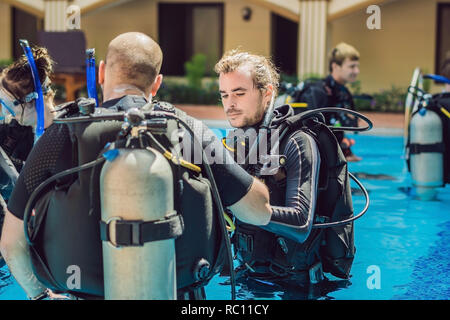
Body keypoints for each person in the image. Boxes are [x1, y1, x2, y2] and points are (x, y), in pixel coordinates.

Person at [0, 32, 271, 300]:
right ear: (157, 84)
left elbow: (11, 244)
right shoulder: (188, 130)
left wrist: (40, 296)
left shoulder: (61, 135)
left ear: (102, 72)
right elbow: (258, 213)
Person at [215, 49, 355, 298]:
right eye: (224, 95)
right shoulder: (239, 144)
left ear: (266, 93)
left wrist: (252, 208)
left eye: (239, 93)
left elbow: (301, 223)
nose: (230, 104)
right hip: (250, 278)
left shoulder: (298, 142)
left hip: (296, 286)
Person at [0, 46, 56, 265]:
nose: (4, 110)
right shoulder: (15, 122)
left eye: (5, 102)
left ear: (30, 103)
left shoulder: (51, 128)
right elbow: (12, 181)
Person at [299, 42, 362, 162]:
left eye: (357, 66)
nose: (357, 71)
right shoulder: (317, 92)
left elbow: (348, 125)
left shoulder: (344, 93)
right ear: (335, 66)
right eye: (352, 66)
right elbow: (310, 131)